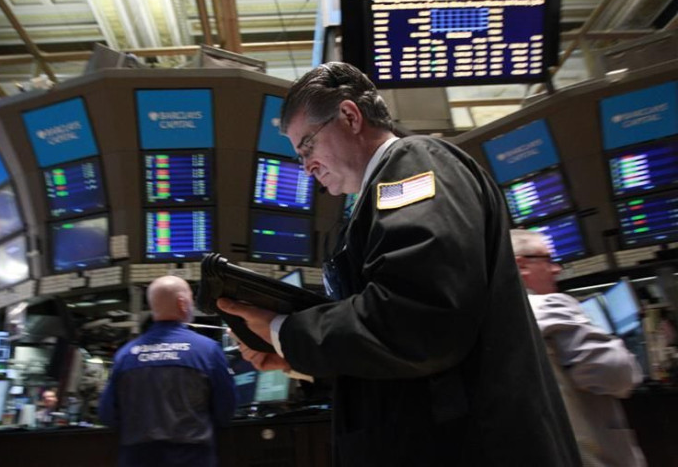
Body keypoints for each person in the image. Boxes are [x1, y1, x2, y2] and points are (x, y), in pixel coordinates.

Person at [217, 62, 580, 466]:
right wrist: (298, 360)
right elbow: (400, 355)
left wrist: (286, 331)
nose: (306, 167)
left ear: (350, 117)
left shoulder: (415, 164)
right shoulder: (377, 196)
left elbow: (418, 318)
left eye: (307, 146)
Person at [510, 229, 646, 467]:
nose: (556, 269)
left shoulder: (496, 320)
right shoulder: (550, 305)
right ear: (522, 266)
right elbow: (619, 374)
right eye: (547, 259)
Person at [99, 276, 236, 467]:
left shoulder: (125, 356)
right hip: (192, 458)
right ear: (182, 303)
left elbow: (107, 415)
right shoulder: (207, 350)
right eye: (191, 297)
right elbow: (225, 410)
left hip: (137, 459)